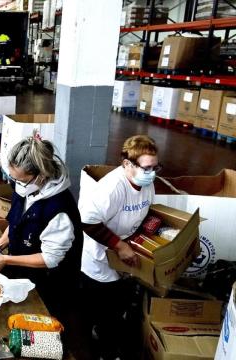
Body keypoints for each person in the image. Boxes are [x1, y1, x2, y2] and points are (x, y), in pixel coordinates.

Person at [0, 133, 83, 323]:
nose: (16, 184)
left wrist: (5, 260)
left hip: (50, 283)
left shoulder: (59, 210)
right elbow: (16, 223)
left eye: (20, 179)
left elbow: (50, 259)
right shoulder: (25, 187)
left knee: (41, 327)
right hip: (23, 271)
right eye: (12, 178)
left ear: (41, 175)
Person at [79, 134, 160, 360]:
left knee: (118, 308)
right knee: (101, 309)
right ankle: (96, 349)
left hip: (125, 256)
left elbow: (145, 213)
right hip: (100, 258)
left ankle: (112, 343)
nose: (152, 173)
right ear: (127, 164)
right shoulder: (111, 189)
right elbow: (87, 221)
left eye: (155, 167)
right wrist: (119, 245)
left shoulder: (147, 184)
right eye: (147, 168)